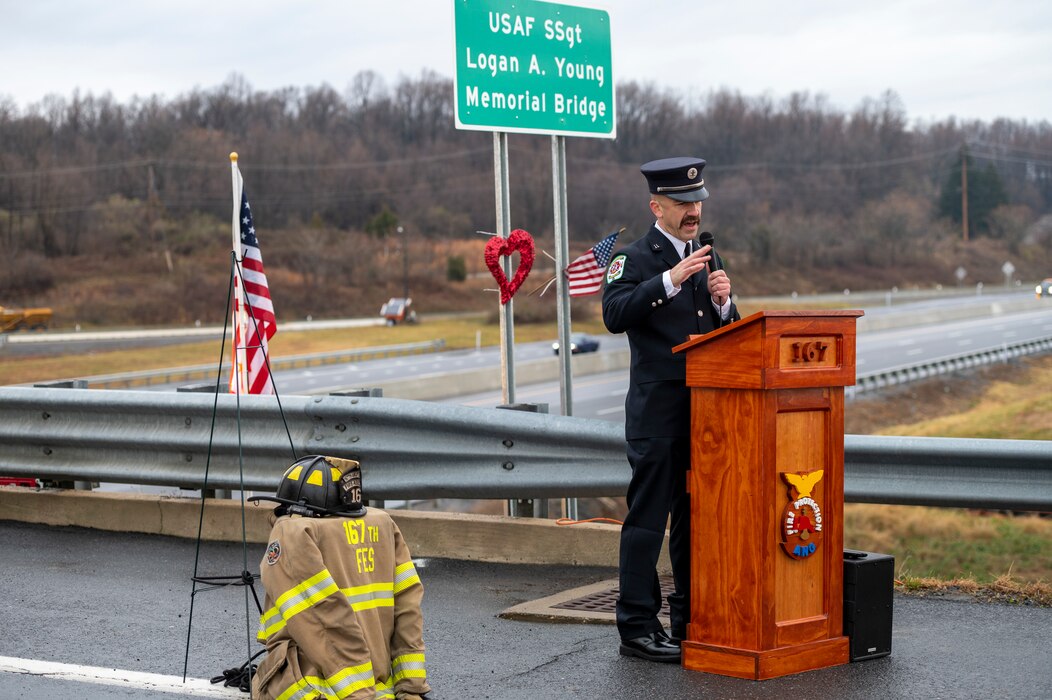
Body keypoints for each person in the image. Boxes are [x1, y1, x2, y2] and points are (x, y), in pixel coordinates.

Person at [602, 156, 740, 663]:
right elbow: (614, 314)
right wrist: (670, 280)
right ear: (656, 205)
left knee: (694, 519)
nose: (693, 211)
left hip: (703, 416)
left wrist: (726, 306)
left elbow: (726, 338)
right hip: (658, 415)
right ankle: (637, 627)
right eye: (683, 204)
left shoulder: (711, 255)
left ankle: (688, 619)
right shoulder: (634, 258)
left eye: (697, 201)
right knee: (647, 521)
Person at [249, 455, 431, 699]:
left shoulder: (293, 532)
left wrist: (359, 694)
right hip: (383, 686)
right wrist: (411, 688)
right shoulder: (383, 524)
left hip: (323, 690)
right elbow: (408, 612)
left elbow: (324, 618)